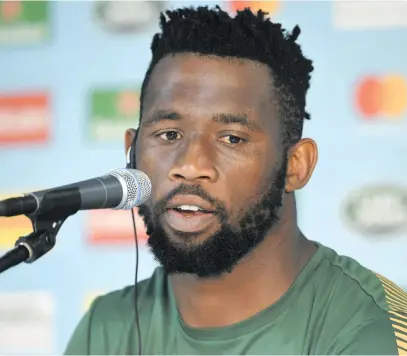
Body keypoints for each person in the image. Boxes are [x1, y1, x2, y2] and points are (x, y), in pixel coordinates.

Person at [65, 5, 407, 355]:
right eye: (169, 134)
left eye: (232, 138)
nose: (190, 165)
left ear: (296, 165)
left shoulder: (369, 327)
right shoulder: (105, 328)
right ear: (132, 153)